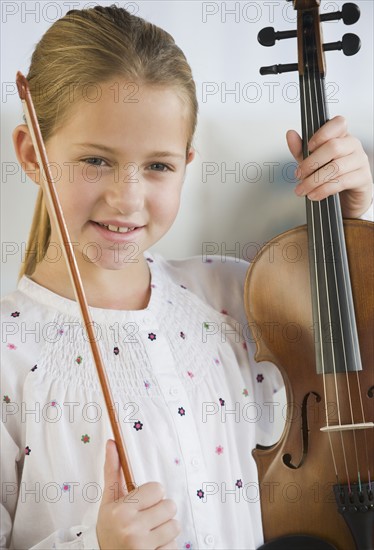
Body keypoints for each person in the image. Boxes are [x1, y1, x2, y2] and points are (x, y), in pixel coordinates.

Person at [1, 5, 373, 550]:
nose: (126, 197)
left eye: (158, 165)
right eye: (96, 160)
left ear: (188, 161)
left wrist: (353, 229)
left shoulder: (237, 296)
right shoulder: (10, 353)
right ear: (33, 154)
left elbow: (351, 375)